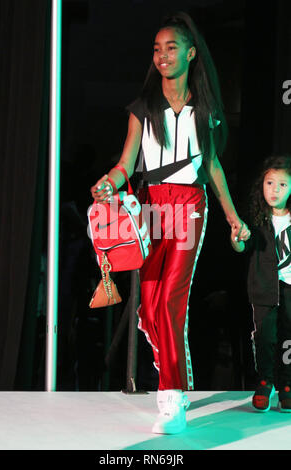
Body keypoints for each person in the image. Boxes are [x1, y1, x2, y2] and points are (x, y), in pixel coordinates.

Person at [91, 11, 250, 434]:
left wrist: (233, 217)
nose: (162, 55)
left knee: (171, 301)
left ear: (191, 54)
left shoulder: (208, 110)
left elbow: (212, 166)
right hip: (151, 206)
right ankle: (175, 380)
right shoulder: (142, 108)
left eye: (172, 47)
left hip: (189, 206)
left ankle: (172, 396)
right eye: (157, 49)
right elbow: (128, 162)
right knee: (150, 301)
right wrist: (108, 183)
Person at [231, 155, 291, 413]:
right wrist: (236, 238)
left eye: (282, 185)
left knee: (289, 338)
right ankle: (265, 382)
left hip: (289, 287)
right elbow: (242, 247)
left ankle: (287, 386)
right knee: (265, 338)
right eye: (269, 183)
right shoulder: (256, 217)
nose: (274, 190)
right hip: (264, 288)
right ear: (261, 184)